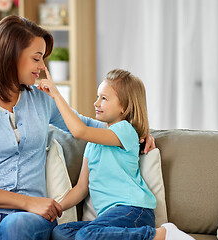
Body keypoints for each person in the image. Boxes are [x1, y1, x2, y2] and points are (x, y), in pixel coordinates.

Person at [0, 15, 155, 240]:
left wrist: (139, 132)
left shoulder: (42, 101)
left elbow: (88, 126)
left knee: (17, 228)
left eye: (43, 58)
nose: (42, 66)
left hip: (26, 216)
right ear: (10, 56)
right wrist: (29, 202)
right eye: (37, 58)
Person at [38, 68, 195, 240]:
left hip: (133, 211)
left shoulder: (125, 130)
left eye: (104, 98)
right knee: (61, 232)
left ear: (124, 107)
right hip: (110, 219)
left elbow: (79, 131)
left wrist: (56, 95)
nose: (96, 103)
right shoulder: (93, 142)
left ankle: (162, 235)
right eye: (98, 97)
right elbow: (82, 188)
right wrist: (56, 208)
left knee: (86, 235)